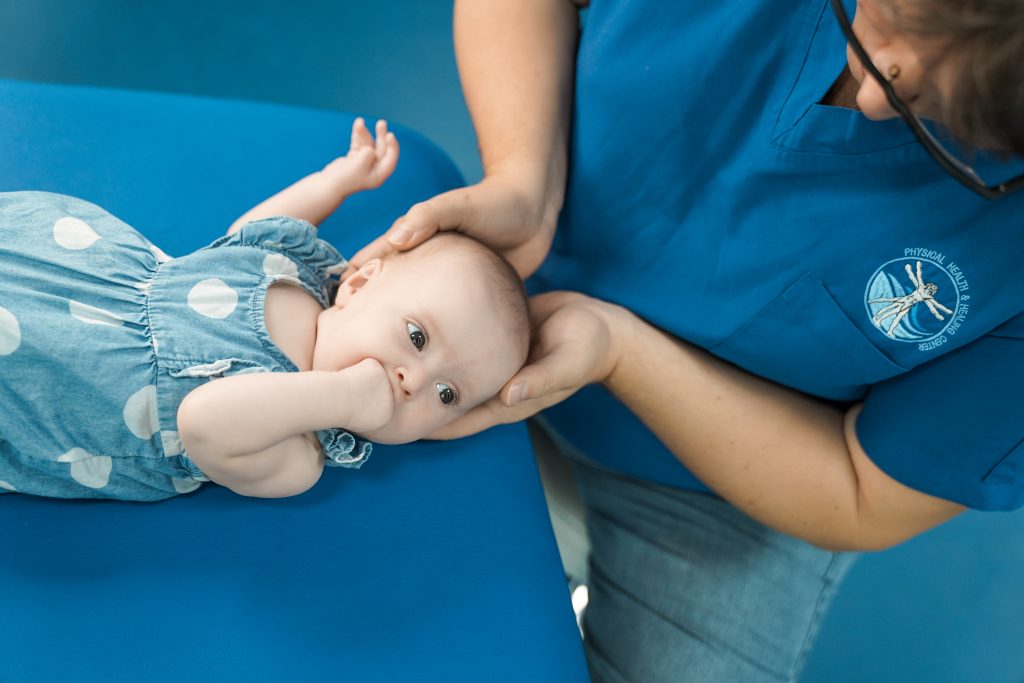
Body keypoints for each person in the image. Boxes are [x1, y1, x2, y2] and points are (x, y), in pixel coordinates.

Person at [349, 1, 1024, 680]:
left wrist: (619, 350)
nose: (873, 98)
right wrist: (525, 181)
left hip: (719, 497)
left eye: (931, 109)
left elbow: (858, 491)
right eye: (869, 25)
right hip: (504, 303)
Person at [0, 118, 529, 502]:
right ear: (360, 283)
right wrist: (337, 181)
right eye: (417, 337)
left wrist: (344, 399)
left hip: (65, 383)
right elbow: (247, 236)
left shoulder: (297, 456)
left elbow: (203, 418)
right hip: (77, 274)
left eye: (447, 394)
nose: (412, 380)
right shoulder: (299, 274)